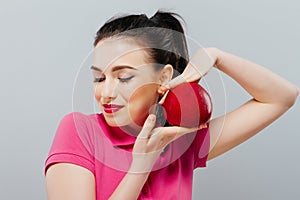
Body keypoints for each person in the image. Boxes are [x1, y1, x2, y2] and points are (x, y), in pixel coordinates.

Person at [44, 10, 299, 200]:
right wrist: (141, 165)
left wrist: (216, 56)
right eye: (99, 78)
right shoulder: (80, 131)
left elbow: (282, 97)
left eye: (123, 77)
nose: (106, 92)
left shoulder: (181, 140)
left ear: (164, 77)